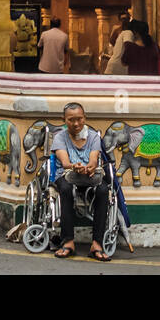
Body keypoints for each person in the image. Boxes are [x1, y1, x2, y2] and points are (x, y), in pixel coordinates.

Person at [51, 103, 111, 262]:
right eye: (71, 120)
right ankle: (68, 242)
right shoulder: (60, 137)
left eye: (79, 119)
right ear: (64, 120)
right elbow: (64, 162)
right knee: (65, 189)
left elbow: (93, 159)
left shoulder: (94, 137)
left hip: (89, 175)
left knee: (103, 190)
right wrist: (74, 166)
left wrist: (90, 167)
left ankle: (97, 244)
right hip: (66, 174)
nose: (76, 124)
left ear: (85, 118)